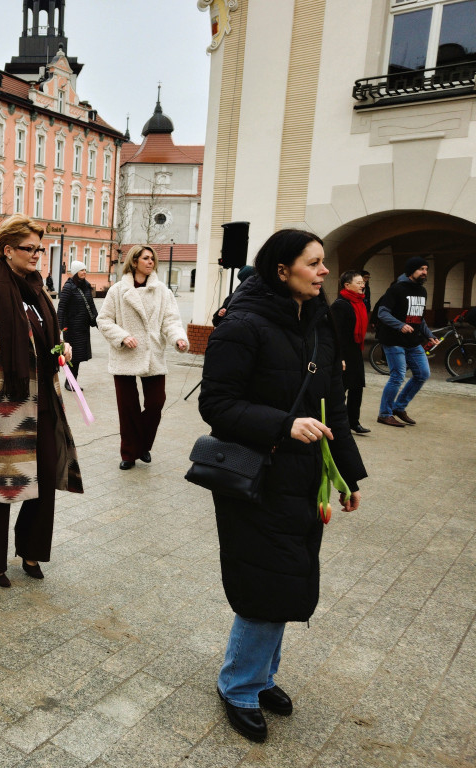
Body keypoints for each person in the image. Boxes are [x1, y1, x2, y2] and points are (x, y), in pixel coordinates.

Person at [199, 229, 366, 744]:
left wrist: (347, 472)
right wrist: (282, 425)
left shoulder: (317, 321)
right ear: (282, 270)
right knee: (266, 582)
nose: (324, 272)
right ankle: (239, 685)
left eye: (323, 264)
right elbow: (216, 405)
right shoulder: (242, 325)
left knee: (287, 576)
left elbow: (333, 404)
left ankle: (259, 676)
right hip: (257, 476)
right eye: (314, 264)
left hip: (304, 477)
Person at [0, 215, 83, 587]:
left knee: (43, 482)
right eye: (28, 249)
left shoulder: (38, 290)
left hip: (44, 404)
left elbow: (46, 338)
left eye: (39, 249)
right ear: (7, 249)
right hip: (2, 408)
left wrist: (61, 349)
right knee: (0, 489)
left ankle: (31, 552)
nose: (36, 256)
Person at [97, 245, 189, 469]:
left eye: (152, 259)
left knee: (157, 402)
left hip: (152, 354)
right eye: (146, 258)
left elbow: (171, 321)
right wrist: (122, 336)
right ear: (134, 261)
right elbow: (104, 320)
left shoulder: (162, 292)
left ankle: (143, 445)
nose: (151, 262)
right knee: (128, 408)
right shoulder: (118, 291)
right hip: (125, 354)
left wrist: (178, 338)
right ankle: (129, 453)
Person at [374, 256, 435, 427]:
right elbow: (382, 313)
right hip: (394, 340)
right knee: (397, 376)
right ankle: (384, 413)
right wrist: (400, 325)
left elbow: (419, 318)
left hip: (413, 341)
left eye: (426, 269)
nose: (425, 272)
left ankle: (399, 407)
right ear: (411, 271)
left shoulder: (422, 291)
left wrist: (429, 334)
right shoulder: (396, 289)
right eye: (421, 269)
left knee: (423, 374)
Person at [330, 270, 370, 434]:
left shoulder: (360, 302)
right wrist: (340, 357)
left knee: (357, 387)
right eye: (359, 282)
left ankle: (353, 421)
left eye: (363, 282)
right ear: (347, 285)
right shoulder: (340, 305)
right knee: (341, 390)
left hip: (355, 351)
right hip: (344, 353)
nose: (363, 285)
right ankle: (336, 422)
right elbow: (335, 333)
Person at [57, 260, 98, 390]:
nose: (84, 272)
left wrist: (98, 321)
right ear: (75, 272)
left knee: (78, 357)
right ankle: (70, 382)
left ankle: (72, 381)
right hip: (72, 328)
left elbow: (91, 305)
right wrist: (58, 327)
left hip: (83, 327)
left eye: (85, 269)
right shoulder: (69, 287)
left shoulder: (86, 286)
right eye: (81, 270)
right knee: (72, 356)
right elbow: (61, 307)